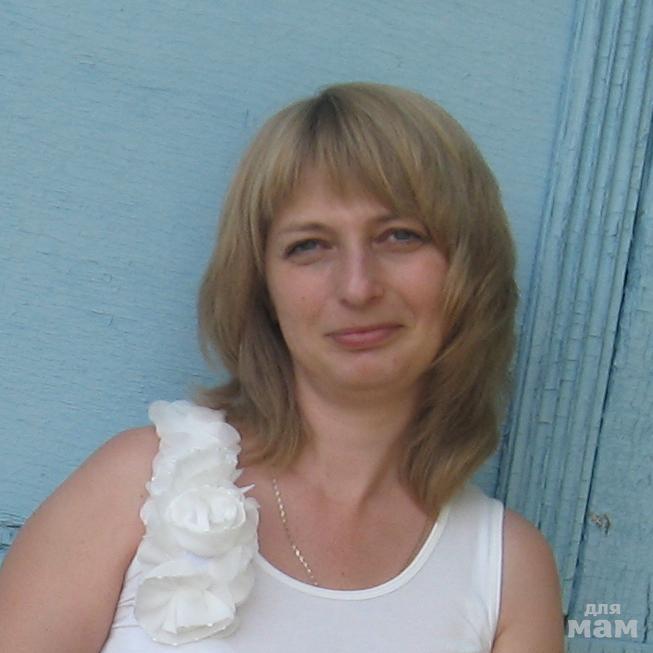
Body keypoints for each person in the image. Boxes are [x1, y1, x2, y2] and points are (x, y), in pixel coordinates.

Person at [0, 82, 564, 652]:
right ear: (262, 288)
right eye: (309, 246)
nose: (358, 286)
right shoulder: (138, 485)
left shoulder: (507, 571)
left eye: (399, 236)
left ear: (468, 269)